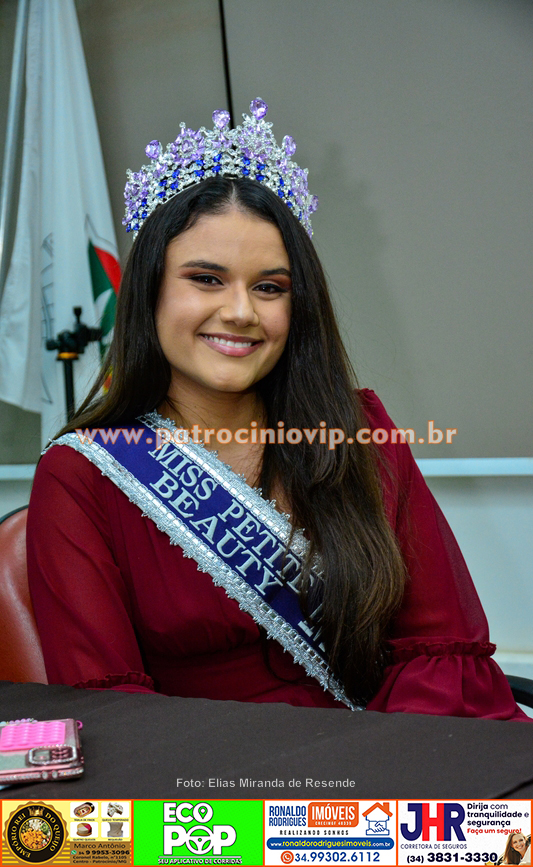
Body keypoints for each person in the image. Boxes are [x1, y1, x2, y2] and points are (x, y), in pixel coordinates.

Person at [27, 99, 527, 719]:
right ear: (149, 293)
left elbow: (435, 649)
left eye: (269, 287)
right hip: (204, 775)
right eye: (206, 279)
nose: (241, 312)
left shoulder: (358, 432)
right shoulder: (82, 476)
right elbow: (111, 712)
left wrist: (384, 774)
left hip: (392, 754)